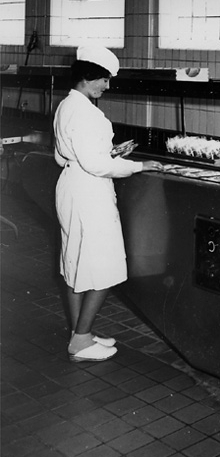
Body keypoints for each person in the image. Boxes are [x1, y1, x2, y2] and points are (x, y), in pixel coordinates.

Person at [54, 45, 162, 362]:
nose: (107, 86)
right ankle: (80, 342)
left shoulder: (66, 106)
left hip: (72, 185)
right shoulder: (87, 113)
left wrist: (110, 153)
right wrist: (138, 166)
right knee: (103, 264)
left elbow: (62, 155)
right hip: (89, 193)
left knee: (76, 262)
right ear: (88, 78)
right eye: (104, 79)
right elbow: (96, 165)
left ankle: (80, 331)